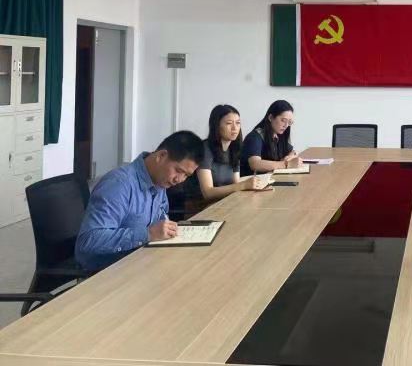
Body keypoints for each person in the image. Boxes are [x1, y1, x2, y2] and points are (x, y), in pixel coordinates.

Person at [76, 131, 205, 271]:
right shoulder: (119, 184)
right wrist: (148, 234)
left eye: (186, 175)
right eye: (178, 170)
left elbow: (161, 220)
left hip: (143, 262)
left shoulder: (160, 181)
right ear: (161, 156)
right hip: (107, 273)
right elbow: (88, 241)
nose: (179, 180)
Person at [184, 105, 269, 209]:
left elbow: (235, 183)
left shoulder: (234, 149)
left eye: (238, 123)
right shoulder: (205, 149)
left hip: (224, 203)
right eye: (229, 123)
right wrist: (243, 185)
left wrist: (256, 186)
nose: (235, 128)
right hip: (200, 208)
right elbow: (208, 193)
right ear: (217, 126)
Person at [240, 99, 299, 176]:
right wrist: (286, 164)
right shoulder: (255, 137)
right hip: (250, 181)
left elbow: (293, 151)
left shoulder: (278, 135)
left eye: (289, 122)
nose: (286, 125)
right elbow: (255, 164)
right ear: (271, 117)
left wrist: (289, 157)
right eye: (283, 120)